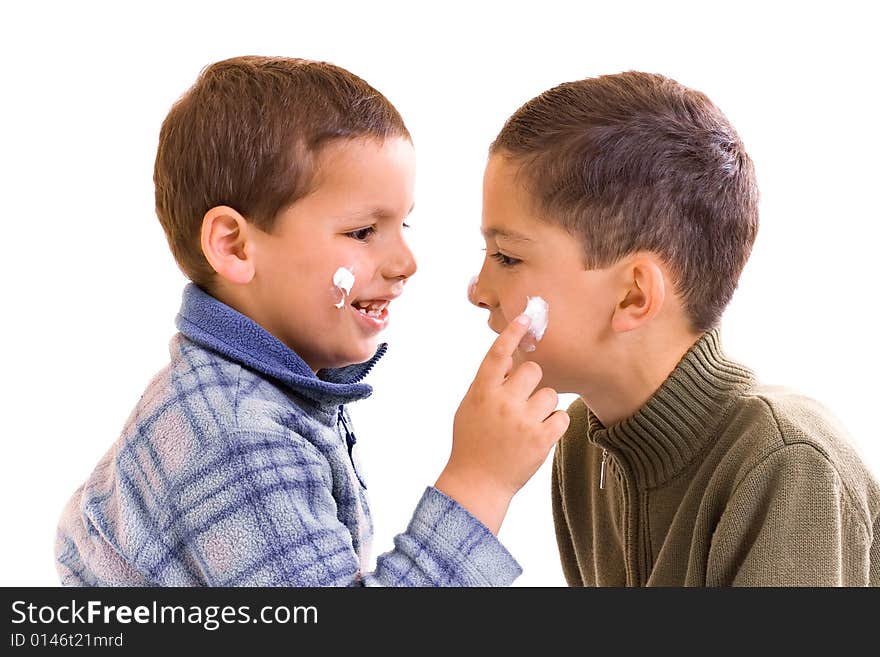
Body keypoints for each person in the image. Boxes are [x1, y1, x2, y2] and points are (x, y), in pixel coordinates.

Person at [55, 56, 568, 586]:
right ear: (233, 245)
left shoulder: (249, 398)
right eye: (364, 231)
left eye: (403, 223)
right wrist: (481, 479)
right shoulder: (236, 436)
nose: (406, 263)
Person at [468, 71, 880, 586]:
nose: (478, 291)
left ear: (634, 295)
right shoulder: (580, 448)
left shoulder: (787, 464)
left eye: (507, 257)